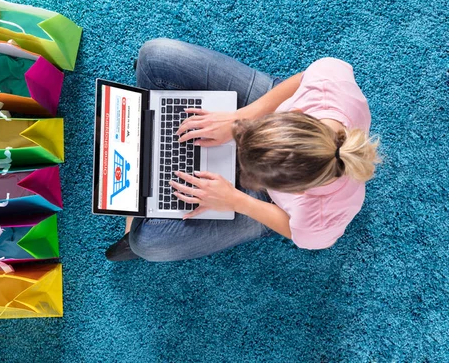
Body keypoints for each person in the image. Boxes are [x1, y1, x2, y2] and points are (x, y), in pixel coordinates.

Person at [105, 38, 381, 262]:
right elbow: (302, 79)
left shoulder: (319, 219)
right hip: (261, 111)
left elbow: (293, 229)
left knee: (147, 244)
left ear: (294, 192)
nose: (234, 154)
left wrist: (237, 200)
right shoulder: (329, 86)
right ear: (296, 115)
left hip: (264, 202)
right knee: (153, 56)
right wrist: (240, 120)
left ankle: (142, 190)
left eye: (248, 171)